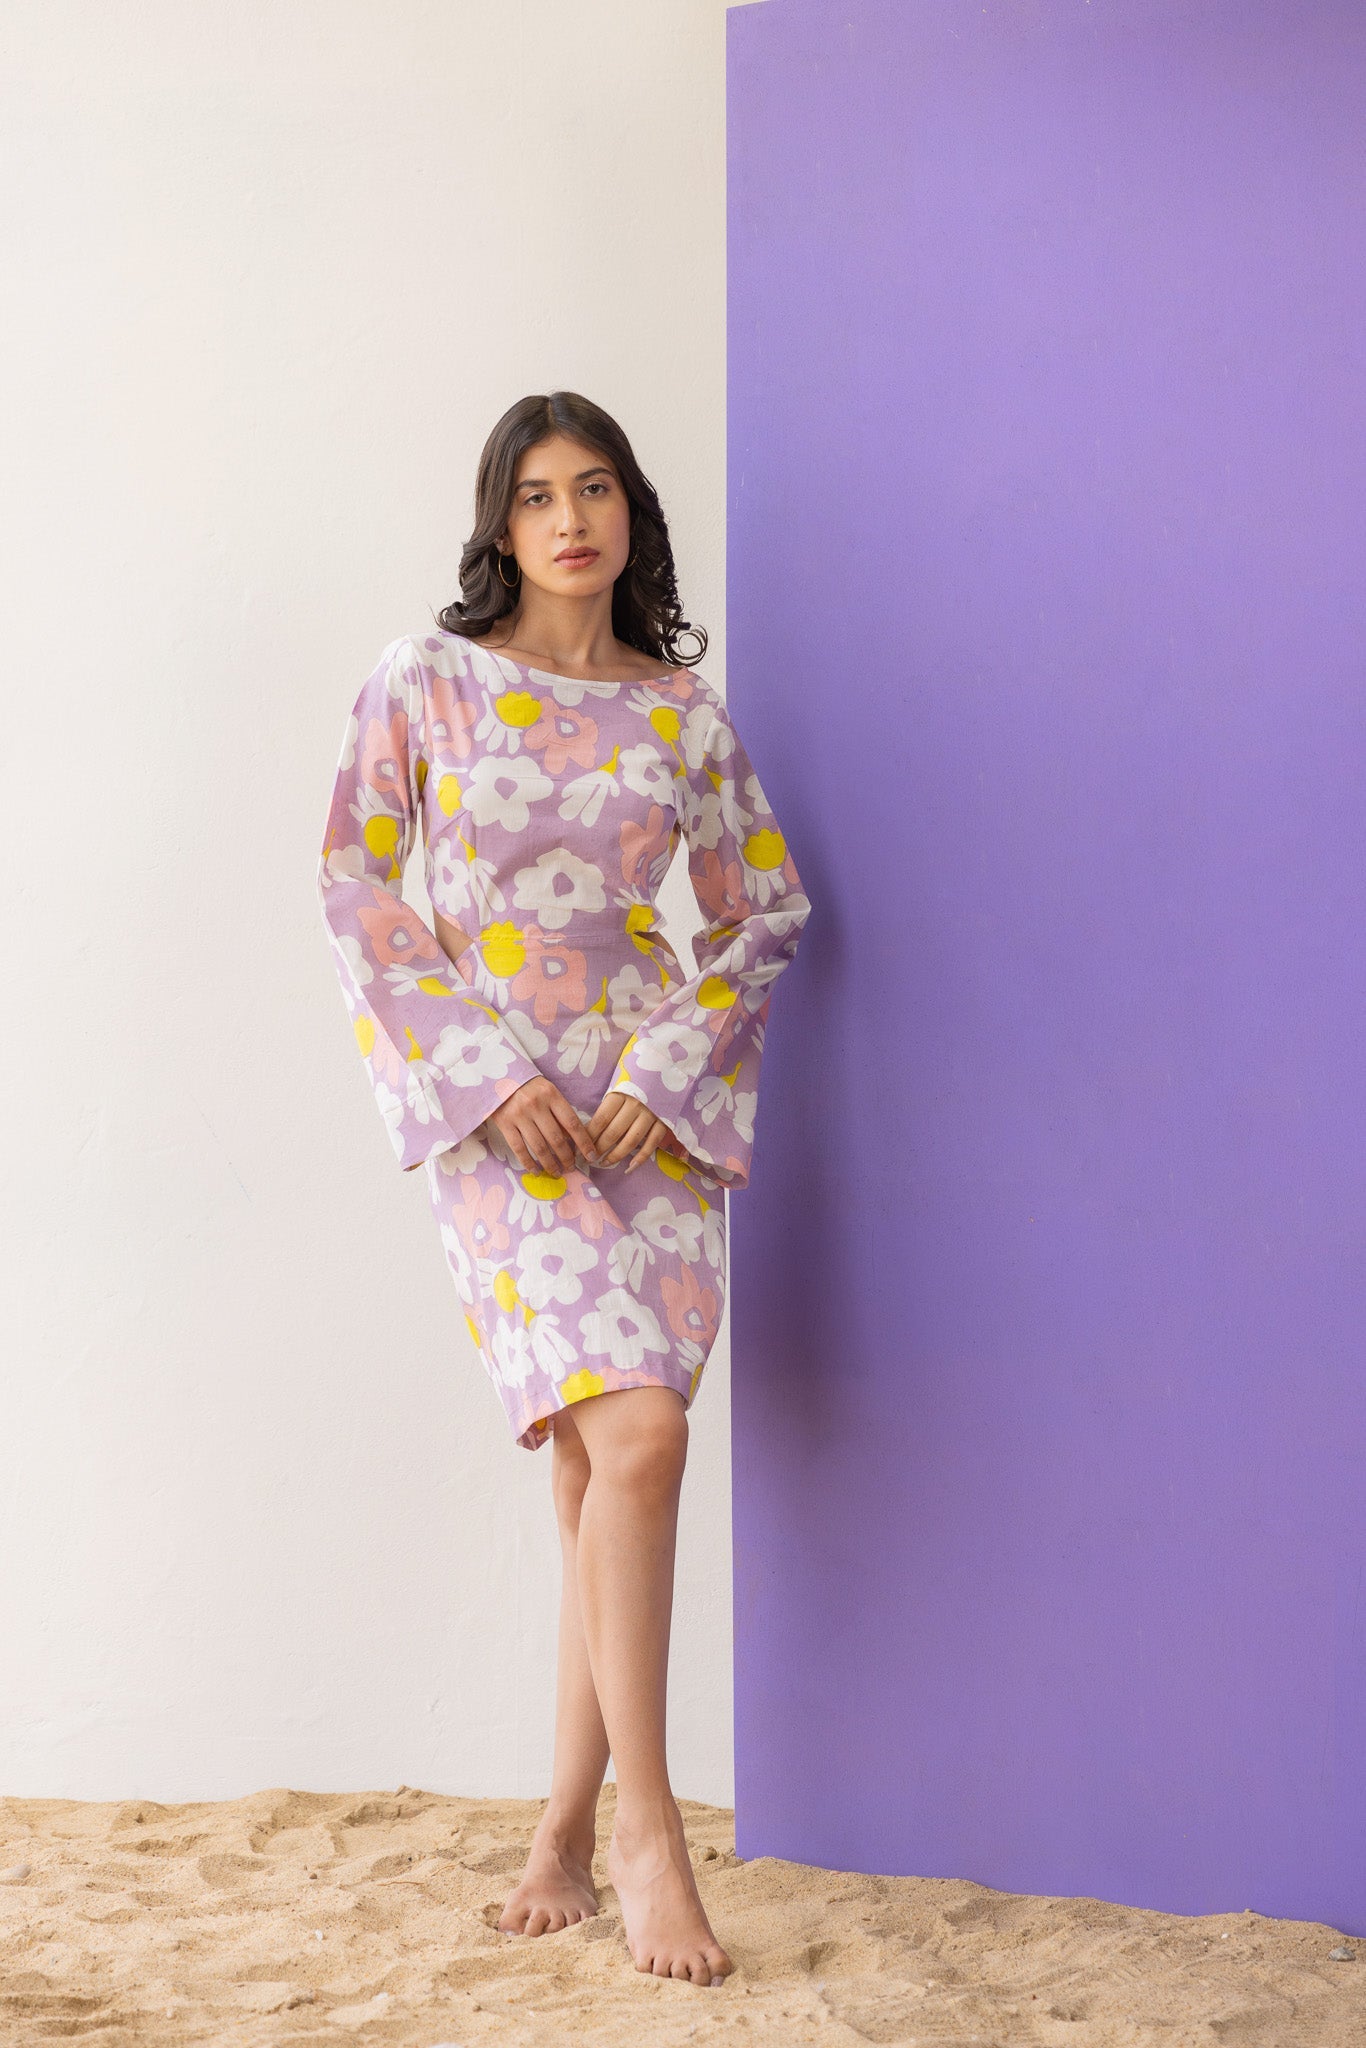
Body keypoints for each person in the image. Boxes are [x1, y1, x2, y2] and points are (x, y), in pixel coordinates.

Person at [316, 391, 811, 1988]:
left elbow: (762, 912)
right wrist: (483, 1078)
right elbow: (356, 883)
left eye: (594, 489)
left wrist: (659, 1071)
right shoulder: (426, 679)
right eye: (536, 496)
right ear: (500, 526)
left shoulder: (679, 714)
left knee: (609, 1467)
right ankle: (650, 1835)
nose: (569, 519)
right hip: (504, 1120)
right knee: (642, 1436)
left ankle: (561, 1835)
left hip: (640, 1116)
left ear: (628, 514)